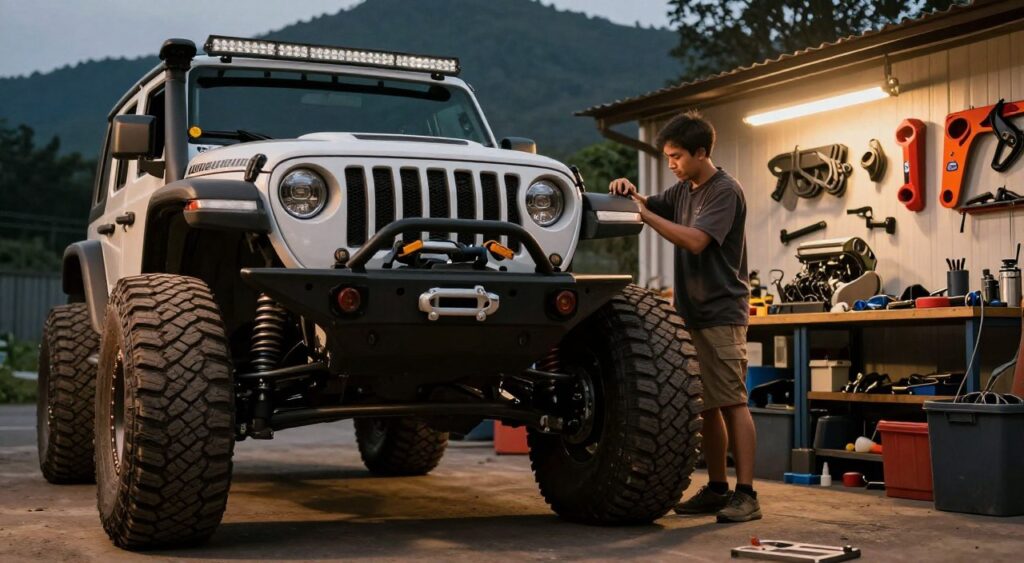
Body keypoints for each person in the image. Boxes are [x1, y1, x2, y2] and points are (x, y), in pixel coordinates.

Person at [609, 110, 760, 523]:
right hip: (691, 313)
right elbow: (645, 204)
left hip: (721, 312)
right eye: (667, 157)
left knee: (732, 400)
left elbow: (695, 241)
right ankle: (716, 488)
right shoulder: (684, 190)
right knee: (707, 406)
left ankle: (747, 495)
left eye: (676, 157)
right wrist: (629, 192)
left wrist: (646, 216)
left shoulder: (723, 191)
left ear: (700, 152)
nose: (671, 164)